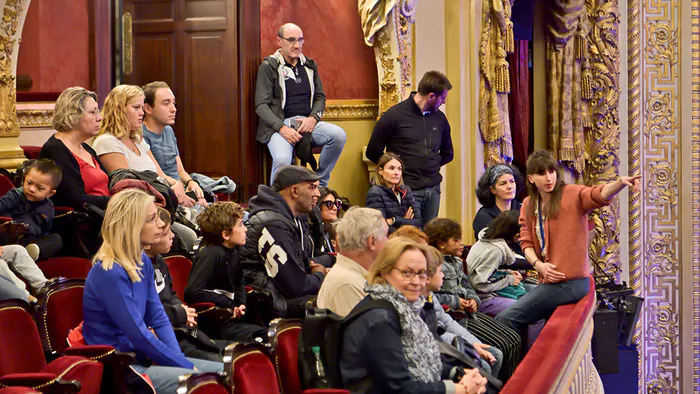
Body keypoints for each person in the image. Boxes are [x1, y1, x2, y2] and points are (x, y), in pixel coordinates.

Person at [82, 189, 222, 394]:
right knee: (208, 382)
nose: (160, 224)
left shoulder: (143, 262)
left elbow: (158, 318)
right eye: (152, 219)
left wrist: (178, 362)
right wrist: (184, 367)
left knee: (231, 371)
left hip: (146, 357)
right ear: (131, 226)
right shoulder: (109, 272)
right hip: (123, 367)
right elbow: (138, 334)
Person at [496, 150, 640, 335]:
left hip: (571, 283)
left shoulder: (571, 193)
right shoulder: (528, 204)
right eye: (542, 174)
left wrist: (620, 183)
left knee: (505, 320)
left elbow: (597, 194)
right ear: (531, 178)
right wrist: (539, 265)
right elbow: (527, 243)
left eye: (551, 172)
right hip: (548, 282)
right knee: (530, 326)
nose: (549, 178)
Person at [340, 237, 487, 394]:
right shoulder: (379, 320)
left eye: (422, 273)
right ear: (384, 271)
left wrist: (458, 374)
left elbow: (427, 360)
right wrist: (460, 389)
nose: (417, 281)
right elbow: (401, 388)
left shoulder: (406, 308)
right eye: (407, 273)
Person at [93, 84, 198, 250]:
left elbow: (160, 174)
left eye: (142, 107)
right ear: (118, 109)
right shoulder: (107, 142)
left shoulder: (137, 139)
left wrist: (176, 184)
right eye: (136, 107)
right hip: (142, 212)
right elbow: (127, 188)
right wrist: (169, 191)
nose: (142, 112)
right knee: (189, 237)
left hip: (163, 200)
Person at [425, 218, 522, 380]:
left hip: (470, 312)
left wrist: (473, 299)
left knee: (513, 339)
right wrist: (457, 302)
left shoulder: (456, 261)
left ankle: (508, 383)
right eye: (456, 240)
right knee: (504, 346)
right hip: (457, 316)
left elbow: (468, 285)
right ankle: (501, 385)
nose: (462, 243)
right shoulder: (435, 267)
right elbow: (436, 298)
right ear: (441, 243)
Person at [254, 22, 346, 187]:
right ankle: (275, 201)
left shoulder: (310, 66)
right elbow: (261, 105)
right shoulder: (269, 67)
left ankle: (319, 183)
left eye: (300, 40)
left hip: (306, 122)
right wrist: (282, 128)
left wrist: (313, 118)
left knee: (338, 135)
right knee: (282, 160)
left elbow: (320, 97)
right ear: (279, 41)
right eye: (291, 40)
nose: (297, 45)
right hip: (278, 127)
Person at [240, 165, 330, 318]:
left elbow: (300, 266)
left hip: (276, 295)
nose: (317, 194)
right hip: (269, 303)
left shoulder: (283, 219)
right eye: (312, 187)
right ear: (294, 191)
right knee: (334, 304)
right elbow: (295, 286)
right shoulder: (274, 224)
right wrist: (320, 276)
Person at [367, 70, 454, 224]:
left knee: (429, 237)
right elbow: (373, 151)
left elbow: (448, 153)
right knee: (411, 235)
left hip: (433, 189)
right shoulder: (394, 116)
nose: (444, 102)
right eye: (443, 98)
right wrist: (398, 171)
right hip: (407, 189)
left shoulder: (440, 118)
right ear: (431, 96)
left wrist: (428, 166)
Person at [147, 208, 228, 362]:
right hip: (166, 333)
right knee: (221, 364)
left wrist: (182, 310)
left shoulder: (160, 262)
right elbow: (149, 311)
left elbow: (171, 295)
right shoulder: (138, 268)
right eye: (165, 233)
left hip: (178, 329)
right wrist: (179, 313)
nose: (172, 236)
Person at [184, 202, 267, 342]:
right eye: (240, 225)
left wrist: (240, 305)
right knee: (264, 337)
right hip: (215, 324)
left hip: (231, 317)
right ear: (226, 234)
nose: (245, 230)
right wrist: (228, 303)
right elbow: (193, 292)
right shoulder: (211, 254)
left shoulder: (232, 250)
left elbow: (239, 282)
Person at [142, 81, 232, 205]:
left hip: (181, 188)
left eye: (173, 103)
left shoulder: (168, 131)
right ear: (148, 108)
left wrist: (191, 182)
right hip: (166, 193)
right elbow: (160, 176)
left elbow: (180, 171)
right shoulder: (142, 134)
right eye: (166, 103)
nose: (173, 109)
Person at [422, 246, 502, 379]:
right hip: (442, 345)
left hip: (453, 334)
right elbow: (435, 334)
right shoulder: (416, 300)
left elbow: (447, 321)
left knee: (495, 354)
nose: (442, 275)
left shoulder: (430, 294)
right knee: (484, 365)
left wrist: (473, 342)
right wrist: (466, 344)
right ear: (428, 276)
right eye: (440, 271)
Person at [39, 86, 110, 211]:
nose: (99, 118)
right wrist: (117, 201)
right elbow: (75, 199)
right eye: (93, 112)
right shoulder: (56, 150)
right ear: (73, 115)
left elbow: (108, 182)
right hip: (84, 221)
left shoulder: (86, 148)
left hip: (106, 213)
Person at [316, 207, 388, 317]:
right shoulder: (348, 285)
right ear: (372, 241)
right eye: (386, 236)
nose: (389, 242)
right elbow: (375, 331)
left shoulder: (353, 276)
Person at [467, 210, 532, 315]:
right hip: (483, 298)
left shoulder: (488, 240)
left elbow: (487, 271)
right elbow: (480, 284)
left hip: (487, 291)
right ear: (516, 235)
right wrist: (509, 279)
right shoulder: (495, 251)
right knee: (530, 311)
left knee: (533, 292)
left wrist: (507, 273)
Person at [0, 159, 63, 260]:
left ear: (50, 193)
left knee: (56, 239)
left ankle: (34, 252)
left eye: (40, 188)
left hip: (33, 241)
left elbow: (46, 229)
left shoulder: (48, 206)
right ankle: (25, 255)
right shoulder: (15, 195)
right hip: (15, 238)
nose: (32, 189)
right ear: (24, 179)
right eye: (29, 183)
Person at [473, 163, 527, 267]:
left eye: (512, 182)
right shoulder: (483, 216)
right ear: (492, 190)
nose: (510, 187)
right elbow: (494, 253)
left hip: (528, 263)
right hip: (498, 267)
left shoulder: (524, 210)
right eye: (503, 184)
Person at [366, 152, 422, 232]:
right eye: (391, 168)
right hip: (388, 241)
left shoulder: (405, 190)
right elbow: (379, 227)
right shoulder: (375, 192)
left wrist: (394, 220)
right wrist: (405, 222)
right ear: (380, 171)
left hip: (406, 238)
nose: (396, 173)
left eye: (399, 169)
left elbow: (417, 222)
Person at [309, 187, 342, 254]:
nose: (335, 208)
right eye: (329, 204)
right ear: (318, 205)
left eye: (336, 204)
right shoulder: (311, 233)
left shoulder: (332, 231)